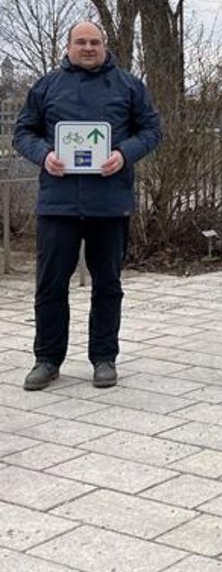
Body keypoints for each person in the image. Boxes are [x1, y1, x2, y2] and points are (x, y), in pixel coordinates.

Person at [14, 20, 162, 391]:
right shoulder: (47, 86)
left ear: (105, 46)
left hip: (109, 204)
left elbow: (151, 131)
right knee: (50, 285)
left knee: (108, 285)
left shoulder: (128, 86)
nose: (88, 47)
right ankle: (47, 360)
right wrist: (44, 155)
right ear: (68, 47)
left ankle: (104, 358)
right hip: (58, 205)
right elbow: (22, 132)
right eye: (80, 42)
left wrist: (124, 154)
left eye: (94, 42)